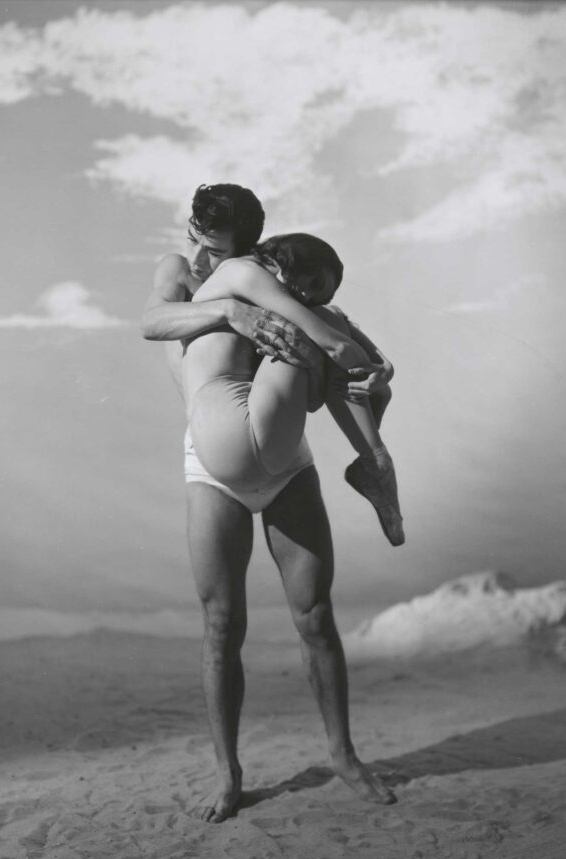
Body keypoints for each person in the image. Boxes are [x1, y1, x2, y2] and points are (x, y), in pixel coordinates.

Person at [142, 183, 396, 822]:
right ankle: (228, 774)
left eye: (214, 239)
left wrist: (367, 363)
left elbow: (316, 340)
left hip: (283, 456)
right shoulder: (181, 272)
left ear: (247, 242)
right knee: (222, 625)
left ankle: (342, 756)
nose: (199, 245)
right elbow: (152, 323)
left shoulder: (260, 275)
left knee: (315, 616)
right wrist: (230, 312)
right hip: (214, 460)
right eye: (196, 231)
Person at [184, 231, 404, 546]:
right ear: (289, 258)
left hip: (247, 440)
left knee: (331, 325)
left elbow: (318, 390)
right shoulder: (245, 273)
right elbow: (337, 346)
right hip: (230, 434)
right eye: (312, 284)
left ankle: (375, 462)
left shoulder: (259, 289)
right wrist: (373, 371)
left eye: (316, 295)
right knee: (327, 325)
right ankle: (376, 462)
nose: (306, 296)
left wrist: (383, 370)